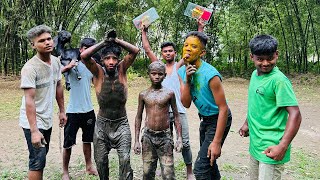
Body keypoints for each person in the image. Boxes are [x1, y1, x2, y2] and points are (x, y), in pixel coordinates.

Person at [140, 19, 204, 179]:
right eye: (165, 51)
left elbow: (193, 49)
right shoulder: (158, 67)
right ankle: (163, 168)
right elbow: (147, 49)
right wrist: (144, 31)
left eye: (170, 51)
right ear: (161, 54)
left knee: (185, 143)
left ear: (175, 53)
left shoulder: (180, 65)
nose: (167, 53)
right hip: (161, 113)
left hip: (178, 111)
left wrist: (200, 27)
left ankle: (189, 171)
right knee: (164, 144)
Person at [239, 34, 302, 180]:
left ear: (277, 55)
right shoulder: (255, 75)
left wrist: (282, 146)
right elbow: (256, 105)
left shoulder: (279, 81)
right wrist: (246, 123)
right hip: (256, 144)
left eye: (270, 58)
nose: (265, 63)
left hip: (272, 147)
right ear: (252, 57)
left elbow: (295, 114)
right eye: (260, 59)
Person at [80, 30, 140, 180]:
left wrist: (117, 40)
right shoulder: (98, 72)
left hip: (121, 124)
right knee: (100, 161)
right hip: (102, 125)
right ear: (102, 60)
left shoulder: (122, 69)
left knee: (125, 159)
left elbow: (135, 51)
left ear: (119, 60)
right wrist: (105, 42)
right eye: (107, 58)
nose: (111, 62)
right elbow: (84, 56)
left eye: (114, 58)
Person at [178, 31, 232, 180]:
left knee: (201, 169)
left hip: (219, 117)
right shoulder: (182, 71)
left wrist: (216, 142)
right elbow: (186, 103)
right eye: (186, 45)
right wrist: (188, 80)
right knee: (210, 160)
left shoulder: (211, 75)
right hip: (206, 120)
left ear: (202, 53)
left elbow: (223, 108)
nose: (188, 49)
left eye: (193, 46)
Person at [19, 24, 67, 180]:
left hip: (46, 119)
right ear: (33, 45)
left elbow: (58, 85)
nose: (47, 42)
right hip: (33, 121)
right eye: (41, 41)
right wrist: (34, 131)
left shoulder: (55, 62)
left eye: (49, 39)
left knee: (41, 158)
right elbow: (29, 99)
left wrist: (61, 111)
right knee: (37, 162)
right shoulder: (30, 68)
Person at [133, 61, 182, 179]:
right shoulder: (143, 94)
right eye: (153, 73)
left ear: (165, 75)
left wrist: (179, 138)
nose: (156, 76)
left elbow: (176, 116)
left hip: (165, 137)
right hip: (148, 137)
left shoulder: (169, 94)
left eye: (160, 74)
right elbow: (138, 116)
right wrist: (136, 140)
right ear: (148, 74)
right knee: (147, 171)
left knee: (168, 173)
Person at [61, 38, 98, 179]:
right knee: (68, 143)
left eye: (93, 50)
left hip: (88, 110)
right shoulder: (72, 63)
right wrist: (68, 67)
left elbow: (97, 83)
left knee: (88, 140)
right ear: (82, 49)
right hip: (72, 111)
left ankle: (89, 167)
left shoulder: (92, 67)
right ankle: (65, 171)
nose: (91, 52)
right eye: (88, 48)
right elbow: (57, 74)